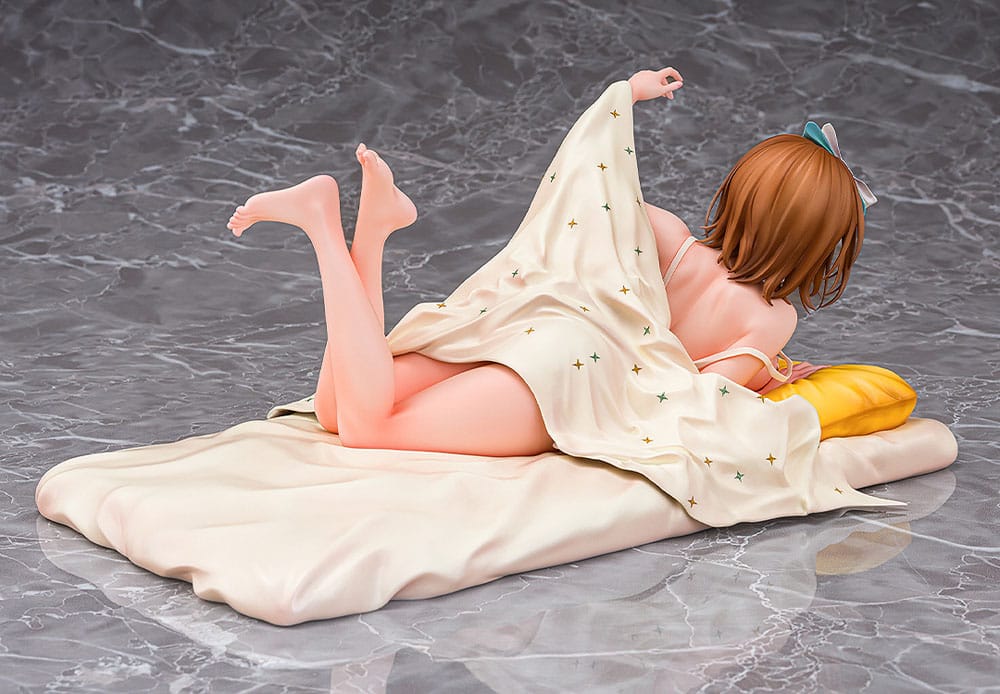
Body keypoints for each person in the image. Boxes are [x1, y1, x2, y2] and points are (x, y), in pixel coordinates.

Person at [225, 67, 874, 458]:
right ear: (820, 243)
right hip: (569, 374)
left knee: (336, 410)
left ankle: (372, 232)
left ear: (739, 193)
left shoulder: (665, 231)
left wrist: (623, 98)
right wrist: (770, 375)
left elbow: (586, 190)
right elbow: (703, 397)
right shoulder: (772, 320)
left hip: (527, 321)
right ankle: (322, 225)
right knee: (367, 428)